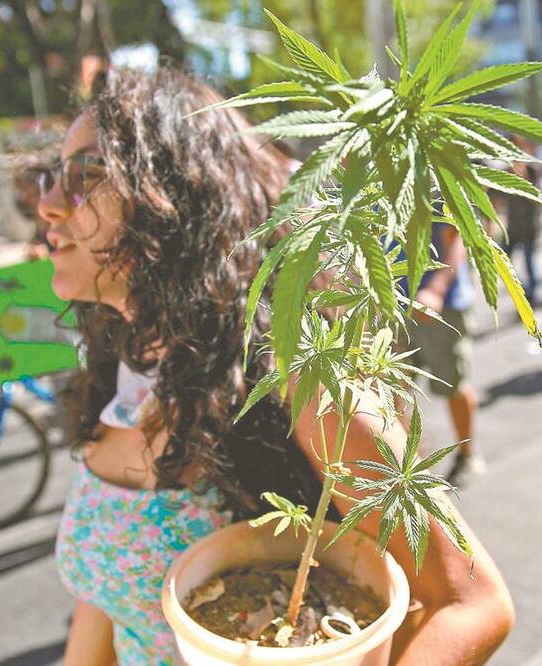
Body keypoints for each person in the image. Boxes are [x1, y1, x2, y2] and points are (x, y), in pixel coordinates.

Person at [41, 66, 514, 664]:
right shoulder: (121, 359)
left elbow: (470, 604)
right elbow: (104, 602)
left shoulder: (294, 372)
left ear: (173, 194)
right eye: (48, 177)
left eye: (86, 173)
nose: (51, 205)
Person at [408, 218, 484, 489]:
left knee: (453, 386)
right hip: (396, 302)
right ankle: (400, 463)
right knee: (390, 389)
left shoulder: (432, 177)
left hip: (442, 307)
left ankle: (467, 455)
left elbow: (459, 238)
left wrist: (436, 288)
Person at [503, 135, 542, 302]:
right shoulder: (506, 171)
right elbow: (498, 197)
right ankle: (524, 290)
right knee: (505, 260)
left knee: (529, 261)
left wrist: (522, 179)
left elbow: (535, 198)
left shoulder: (531, 169)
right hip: (512, 225)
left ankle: (532, 296)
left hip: (528, 225)